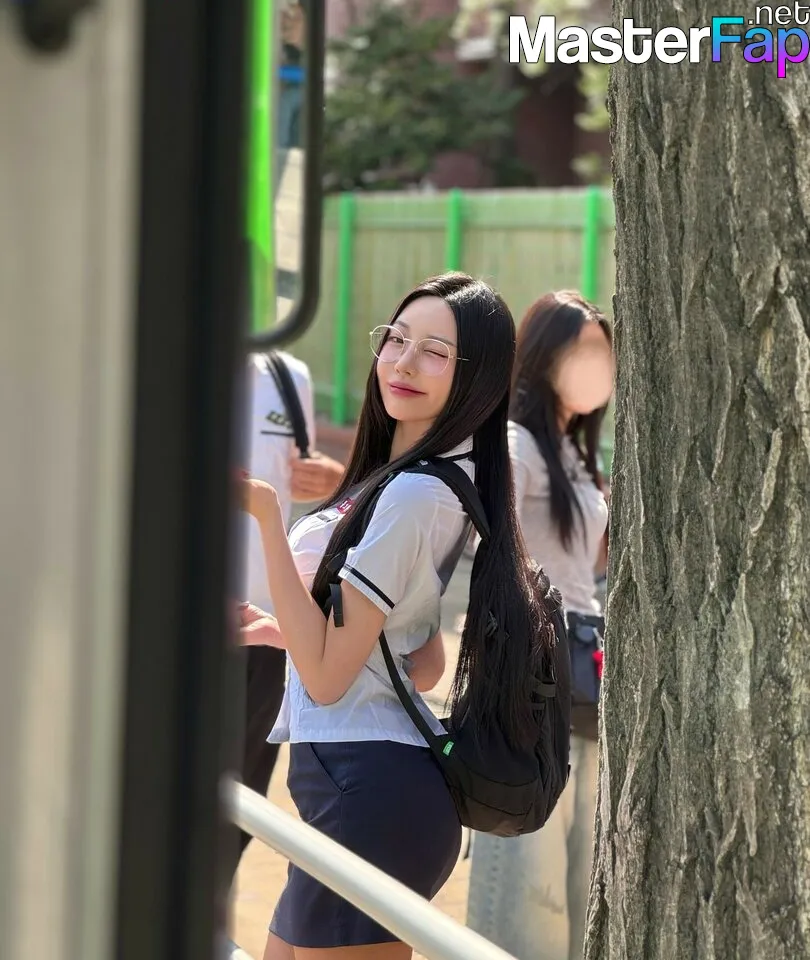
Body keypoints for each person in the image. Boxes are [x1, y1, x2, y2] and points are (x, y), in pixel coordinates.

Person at [239, 272, 562, 960]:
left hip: (368, 796)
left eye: (435, 352)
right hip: (351, 790)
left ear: (476, 378)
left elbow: (328, 680)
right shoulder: (409, 480)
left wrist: (267, 518)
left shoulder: (417, 493)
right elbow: (422, 660)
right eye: (396, 339)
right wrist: (290, 629)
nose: (404, 363)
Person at [466, 291, 614, 960]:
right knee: (529, 887)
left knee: (581, 881)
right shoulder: (515, 442)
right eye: (584, 350)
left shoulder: (577, 452)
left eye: (604, 355)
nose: (597, 367)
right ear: (544, 356)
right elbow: (488, 542)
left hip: (585, 674)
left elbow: (589, 566)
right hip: (532, 677)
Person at [235, 350, 343, 872]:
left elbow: (302, 479)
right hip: (170, 626)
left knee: (242, 797)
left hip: (264, 632)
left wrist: (329, 478)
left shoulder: (287, 376)